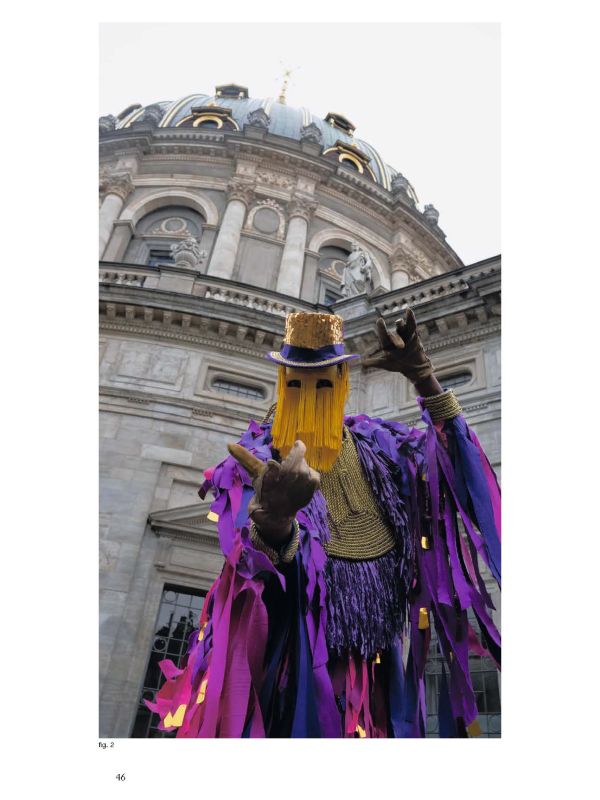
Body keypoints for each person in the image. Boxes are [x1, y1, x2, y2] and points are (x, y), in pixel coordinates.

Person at [146, 310, 501, 737]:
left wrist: (425, 379)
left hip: (378, 668)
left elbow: (459, 475)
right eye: (295, 381)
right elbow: (251, 567)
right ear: (281, 382)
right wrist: (276, 520)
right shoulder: (256, 458)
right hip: (291, 668)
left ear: (343, 381)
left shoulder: (380, 445)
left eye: (324, 379)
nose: (310, 393)